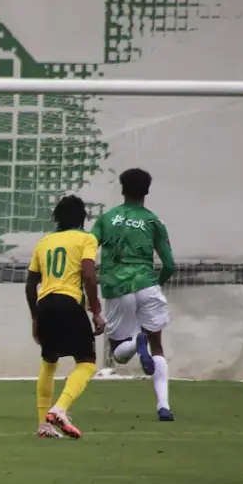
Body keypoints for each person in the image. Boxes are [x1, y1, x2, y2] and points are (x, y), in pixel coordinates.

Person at [91, 168, 176, 422]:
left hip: (118, 288)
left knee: (117, 351)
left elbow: (88, 248)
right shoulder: (154, 222)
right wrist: (154, 283)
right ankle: (163, 406)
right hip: (147, 285)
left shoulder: (107, 219)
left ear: (122, 189)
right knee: (158, 345)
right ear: (147, 191)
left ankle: (137, 339)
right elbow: (170, 265)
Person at [26, 195, 105, 440]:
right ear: (83, 218)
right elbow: (90, 276)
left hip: (45, 304)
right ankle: (60, 409)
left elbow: (30, 285)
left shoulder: (44, 242)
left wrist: (35, 319)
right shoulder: (86, 239)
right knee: (87, 362)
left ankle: (43, 426)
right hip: (69, 302)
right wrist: (97, 310)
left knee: (49, 361)